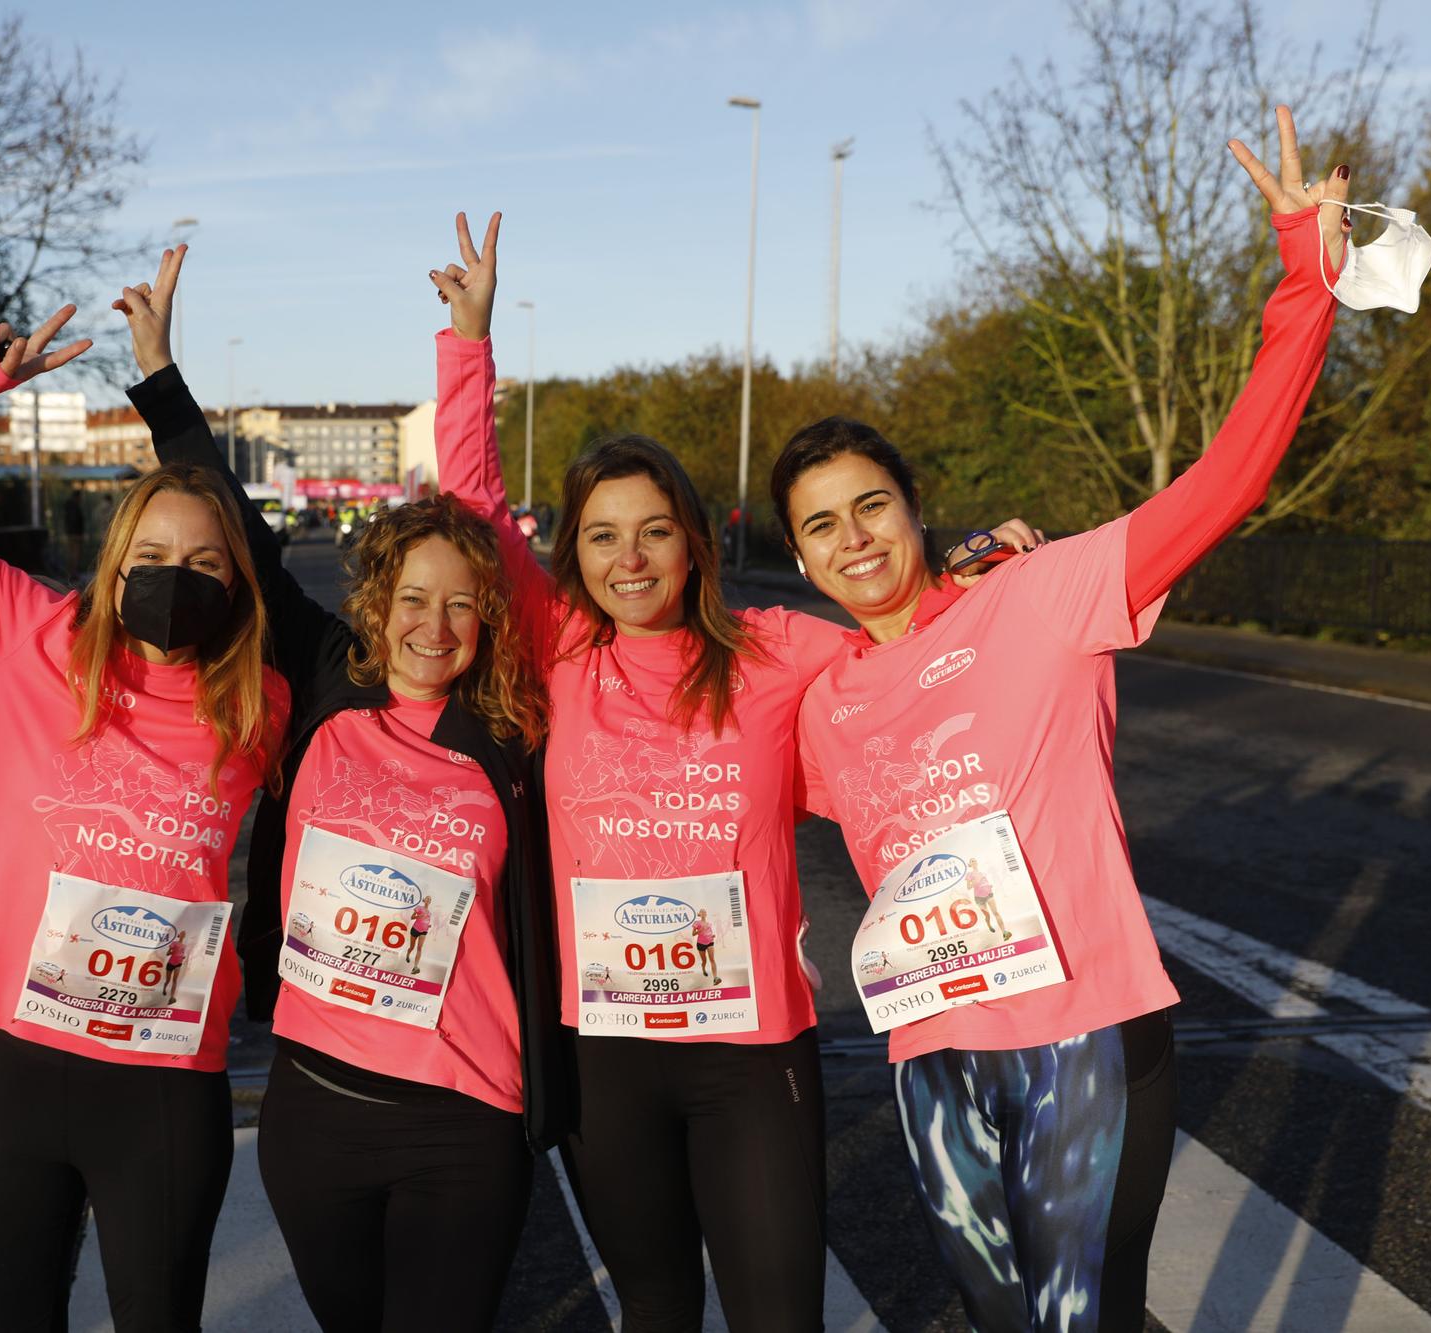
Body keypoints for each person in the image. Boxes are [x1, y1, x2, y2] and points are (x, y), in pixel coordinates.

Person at [778, 108, 1351, 1332]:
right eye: (820, 525)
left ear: (915, 509)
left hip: (1081, 1036)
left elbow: (1226, 479)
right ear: (799, 557)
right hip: (930, 1057)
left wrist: (1302, 282)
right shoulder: (819, 698)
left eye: (871, 505)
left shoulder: (1040, 594)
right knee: (1003, 1319)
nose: (852, 538)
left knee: (1074, 1319)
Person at [427, 212, 1039, 1331]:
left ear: (695, 542)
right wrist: (466, 342)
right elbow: (471, 506)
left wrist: (976, 580)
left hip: (755, 1056)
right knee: (656, 1304)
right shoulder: (562, 651)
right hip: (606, 1050)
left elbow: (896, 640)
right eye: (602, 536)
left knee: (775, 1312)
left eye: (654, 531)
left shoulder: (772, 650)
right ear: (575, 554)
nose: (629, 559)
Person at [112, 246, 568, 1333]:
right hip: (316, 1112)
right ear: (376, 599)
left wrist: (467, 347)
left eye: (462, 606)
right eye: (413, 598)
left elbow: (481, 510)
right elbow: (246, 541)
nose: (434, 626)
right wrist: (160, 375)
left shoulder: (509, 725)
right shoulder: (326, 678)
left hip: (465, 1116)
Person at [0, 305, 290, 1332]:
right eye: (152, 554)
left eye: (203, 565)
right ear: (114, 563)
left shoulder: (260, 704)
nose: (173, 580)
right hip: (17, 1063)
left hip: (163, 1082)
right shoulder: (28, 635)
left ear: (236, 583)